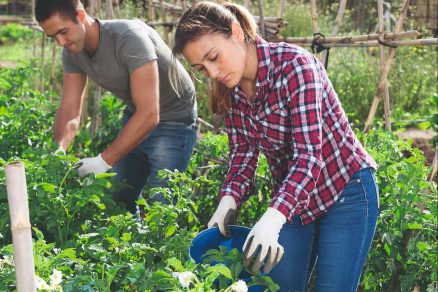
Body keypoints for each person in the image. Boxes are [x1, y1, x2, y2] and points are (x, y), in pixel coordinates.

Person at [173, 2, 379, 291]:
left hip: (345, 191)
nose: (212, 72)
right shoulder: (232, 91)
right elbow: (243, 154)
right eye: (201, 68)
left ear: (235, 32)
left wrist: (272, 218)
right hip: (294, 199)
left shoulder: (296, 67)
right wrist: (227, 201)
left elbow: (308, 156)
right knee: (277, 286)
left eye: (213, 57)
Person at [35, 0, 197, 214]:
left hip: (174, 119)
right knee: (119, 198)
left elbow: (150, 114)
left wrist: (102, 161)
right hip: (138, 113)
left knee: (161, 208)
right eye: (53, 36)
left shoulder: (129, 38)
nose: (60, 41)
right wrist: (58, 151)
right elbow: (69, 110)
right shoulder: (72, 51)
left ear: (81, 16)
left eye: (63, 31)